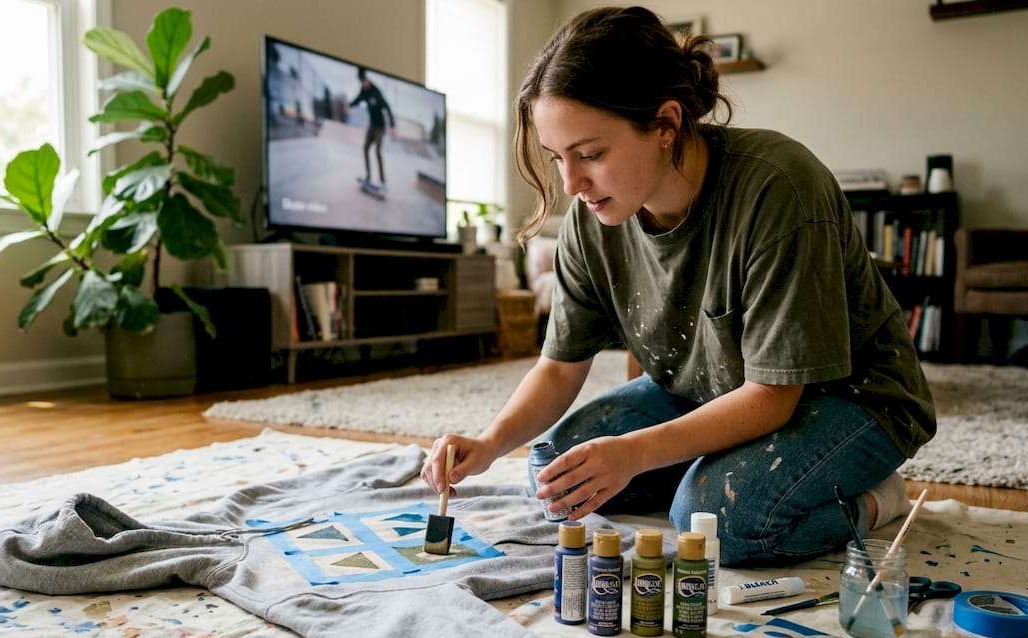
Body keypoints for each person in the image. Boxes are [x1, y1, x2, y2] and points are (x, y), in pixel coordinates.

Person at [420, 5, 936, 567]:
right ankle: (717, 477)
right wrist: (490, 443)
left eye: (590, 154)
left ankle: (872, 498)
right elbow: (559, 367)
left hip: (850, 396)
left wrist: (636, 453)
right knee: (556, 473)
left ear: (665, 125)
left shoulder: (779, 185)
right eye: (557, 158)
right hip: (712, 389)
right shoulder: (591, 220)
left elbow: (772, 396)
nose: (571, 183)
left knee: (719, 523)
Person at [349, 67, 395, 192]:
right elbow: (357, 100)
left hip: (380, 127)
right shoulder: (364, 91)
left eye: (365, 83)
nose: (363, 86)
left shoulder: (376, 92)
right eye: (362, 84)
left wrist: (393, 126)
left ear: (368, 81)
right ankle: (368, 177)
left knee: (378, 151)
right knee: (365, 148)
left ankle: (382, 181)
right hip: (371, 126)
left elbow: (388, 108)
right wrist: (349, 105)